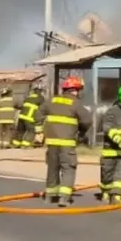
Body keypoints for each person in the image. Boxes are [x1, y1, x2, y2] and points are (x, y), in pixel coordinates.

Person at [38, 76, 92, 207]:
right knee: (68, 169)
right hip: (67, 144)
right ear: (75, 90)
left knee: (52, 168)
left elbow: (38, 114)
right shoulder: (75, 103)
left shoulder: (51, 100)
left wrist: (39, 131)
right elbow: (87, 121)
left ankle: (50, 197)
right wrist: (81, 132)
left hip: (52, 143)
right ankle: (64, 198)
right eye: (78, 90)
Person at [12, 83, 45, 149]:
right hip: (29, 117)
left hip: (21, 116)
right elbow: (43, 109)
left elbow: (22, 106)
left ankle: (16, 144)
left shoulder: (29, 97)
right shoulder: (41, 98)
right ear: (41, 90)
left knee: (20, 131)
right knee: (31, 130)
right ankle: (25, 144)